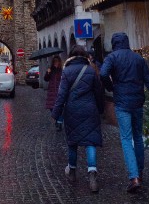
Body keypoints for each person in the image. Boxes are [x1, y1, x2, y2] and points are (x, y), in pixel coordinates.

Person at [100, 32, 149, 194]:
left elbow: (103, 74)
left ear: (114, 44)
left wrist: (111, 87)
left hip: (122, 103)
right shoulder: (138, 58)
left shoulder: (112, 57)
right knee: (138, 137)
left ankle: (134, 177)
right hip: (138, 103)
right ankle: (140, 173)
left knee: (126, 139)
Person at [52, 45, 104, 193]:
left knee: (73, 142)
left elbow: (62, 94)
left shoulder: (67, 71)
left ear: (71, 56)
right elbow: (98, 92)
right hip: (90, 110)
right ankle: (92, 173)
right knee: (90, 142)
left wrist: (56, 113)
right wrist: (100, 109)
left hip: (72, 110)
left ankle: (72, 171)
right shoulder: (91, 70)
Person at [44, 55, 63, 130]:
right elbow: (46, 79)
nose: (56, 63)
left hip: (59, 91)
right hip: (51, 91)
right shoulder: (51, 70)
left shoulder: (61, 70)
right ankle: (57, 119)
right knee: (51, 108)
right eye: (54, 62)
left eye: (57, 61)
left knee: (60, 108)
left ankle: (59, 122)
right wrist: (48, 72)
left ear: (59, 62)